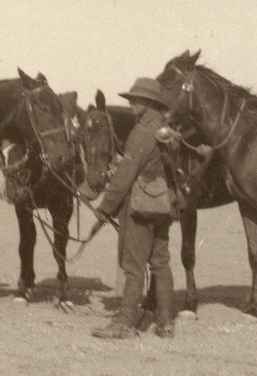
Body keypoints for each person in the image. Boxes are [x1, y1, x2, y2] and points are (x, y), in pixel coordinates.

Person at [92, 78, 177, 339]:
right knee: (161, 264)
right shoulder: (165, 129)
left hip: (139, 207)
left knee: (133, 266)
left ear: (148, 103)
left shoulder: (141, 131)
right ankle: (165, 324)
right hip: (162, 204)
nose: (130, 103)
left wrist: (105, 208)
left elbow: (126, 175)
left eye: (135, 99)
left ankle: (125, 325)